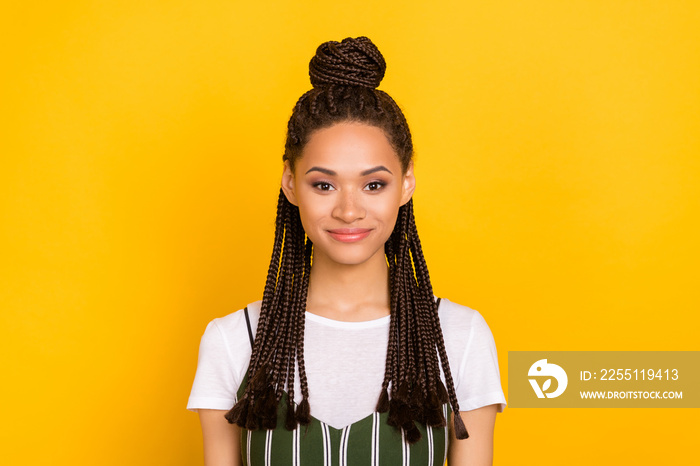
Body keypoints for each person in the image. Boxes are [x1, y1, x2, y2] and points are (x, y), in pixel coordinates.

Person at [187, 36, 507, 466]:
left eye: (374, 184)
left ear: (407, 183)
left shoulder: (459, 337)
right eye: (324, 184)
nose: (349, 210)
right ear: (290, 183)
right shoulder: (233, 340)